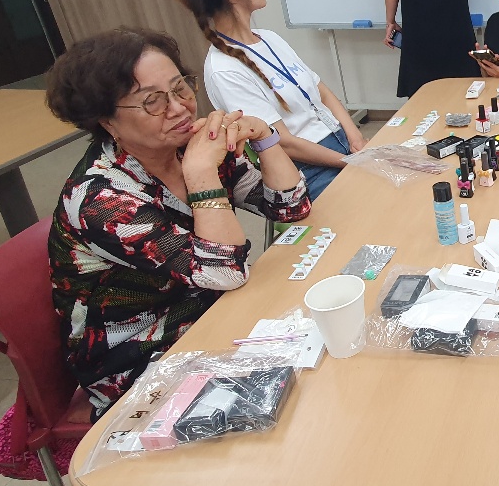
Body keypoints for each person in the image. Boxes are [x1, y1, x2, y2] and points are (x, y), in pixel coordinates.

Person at [46, 28, 310, 420]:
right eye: (152, 101)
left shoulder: (186, 144)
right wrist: (202, 174)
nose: (179, 108)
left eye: (180, 87)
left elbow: (290, 208)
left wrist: (266, 137)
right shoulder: (100, 199)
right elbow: (225, 273)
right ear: (107, 121)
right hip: (141, 360)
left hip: (213, 311)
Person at [161, 0, 366, 201]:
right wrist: (348, 162)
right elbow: (283, 143)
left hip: (341, 143)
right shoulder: (224, 69)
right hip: (309, 171)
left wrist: (355, 137)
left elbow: (320, 90)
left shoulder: (269, 38)